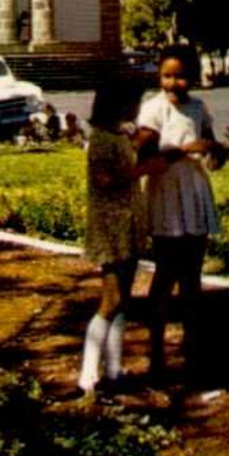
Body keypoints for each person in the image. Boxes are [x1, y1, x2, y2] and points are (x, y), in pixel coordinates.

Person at [135, 44, 225, 383]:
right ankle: (156, 356)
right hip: (165, 197)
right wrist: (185, 150)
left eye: (181, 76)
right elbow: (145, 161)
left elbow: (210, 146)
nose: (173, 84)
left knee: (192, 278)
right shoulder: (153, 110)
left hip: (194, 195)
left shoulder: (199, 108)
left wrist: (216, 151)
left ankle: (193, 353)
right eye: (167, 76)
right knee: (165, 275)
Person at [76, 78, 159, 400]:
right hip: (111, 228)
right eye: (131, 104)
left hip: (127, 224)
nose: (135, 110)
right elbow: (104, 179)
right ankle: (87, 376)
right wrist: (143, 170)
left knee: (122, 299)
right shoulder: (100, 140)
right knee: (110, 301)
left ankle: (114, 370)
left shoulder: (119, 135)